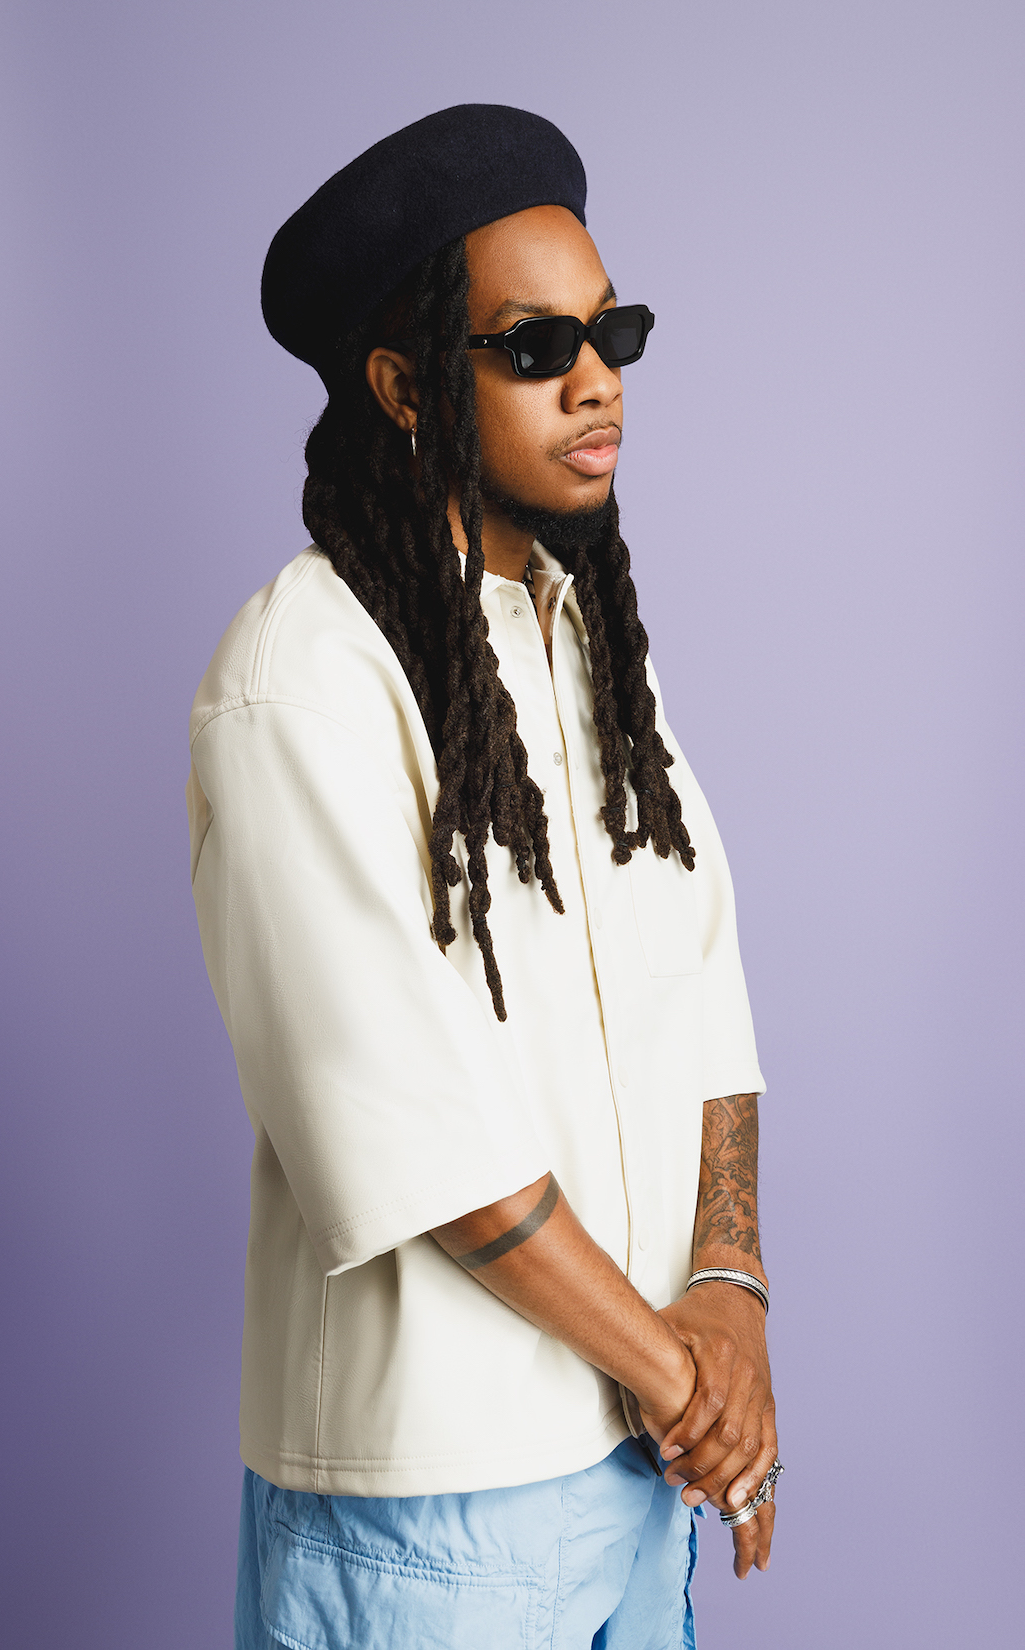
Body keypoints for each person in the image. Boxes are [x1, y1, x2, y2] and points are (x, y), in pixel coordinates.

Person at [188, 103, 780, 1650]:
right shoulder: (303, 674)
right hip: (425, 1516)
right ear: (402, 388)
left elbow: (703, 987)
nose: (599, 381)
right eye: (536, 347)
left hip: (637, 1478)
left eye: (612, 332)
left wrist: (731, 1292)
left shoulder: (594, 654)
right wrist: (688, 1383)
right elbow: (411, 1126)